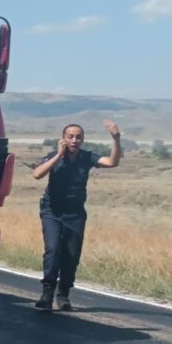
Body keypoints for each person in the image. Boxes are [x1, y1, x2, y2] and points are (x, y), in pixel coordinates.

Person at [31, 120, 123, 311]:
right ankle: (47, 292)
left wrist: (115, 137)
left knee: (72, 255)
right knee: (53, 249)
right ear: (63, 139)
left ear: (82, 140)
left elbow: (112, 162)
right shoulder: (53, 157)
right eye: (70, 136)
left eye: (78, 137)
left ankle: (63, 294)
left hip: (75, 213)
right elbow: (37, 174)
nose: (74, 140)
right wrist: (58, 155)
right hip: (52, 211)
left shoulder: (86, 157)